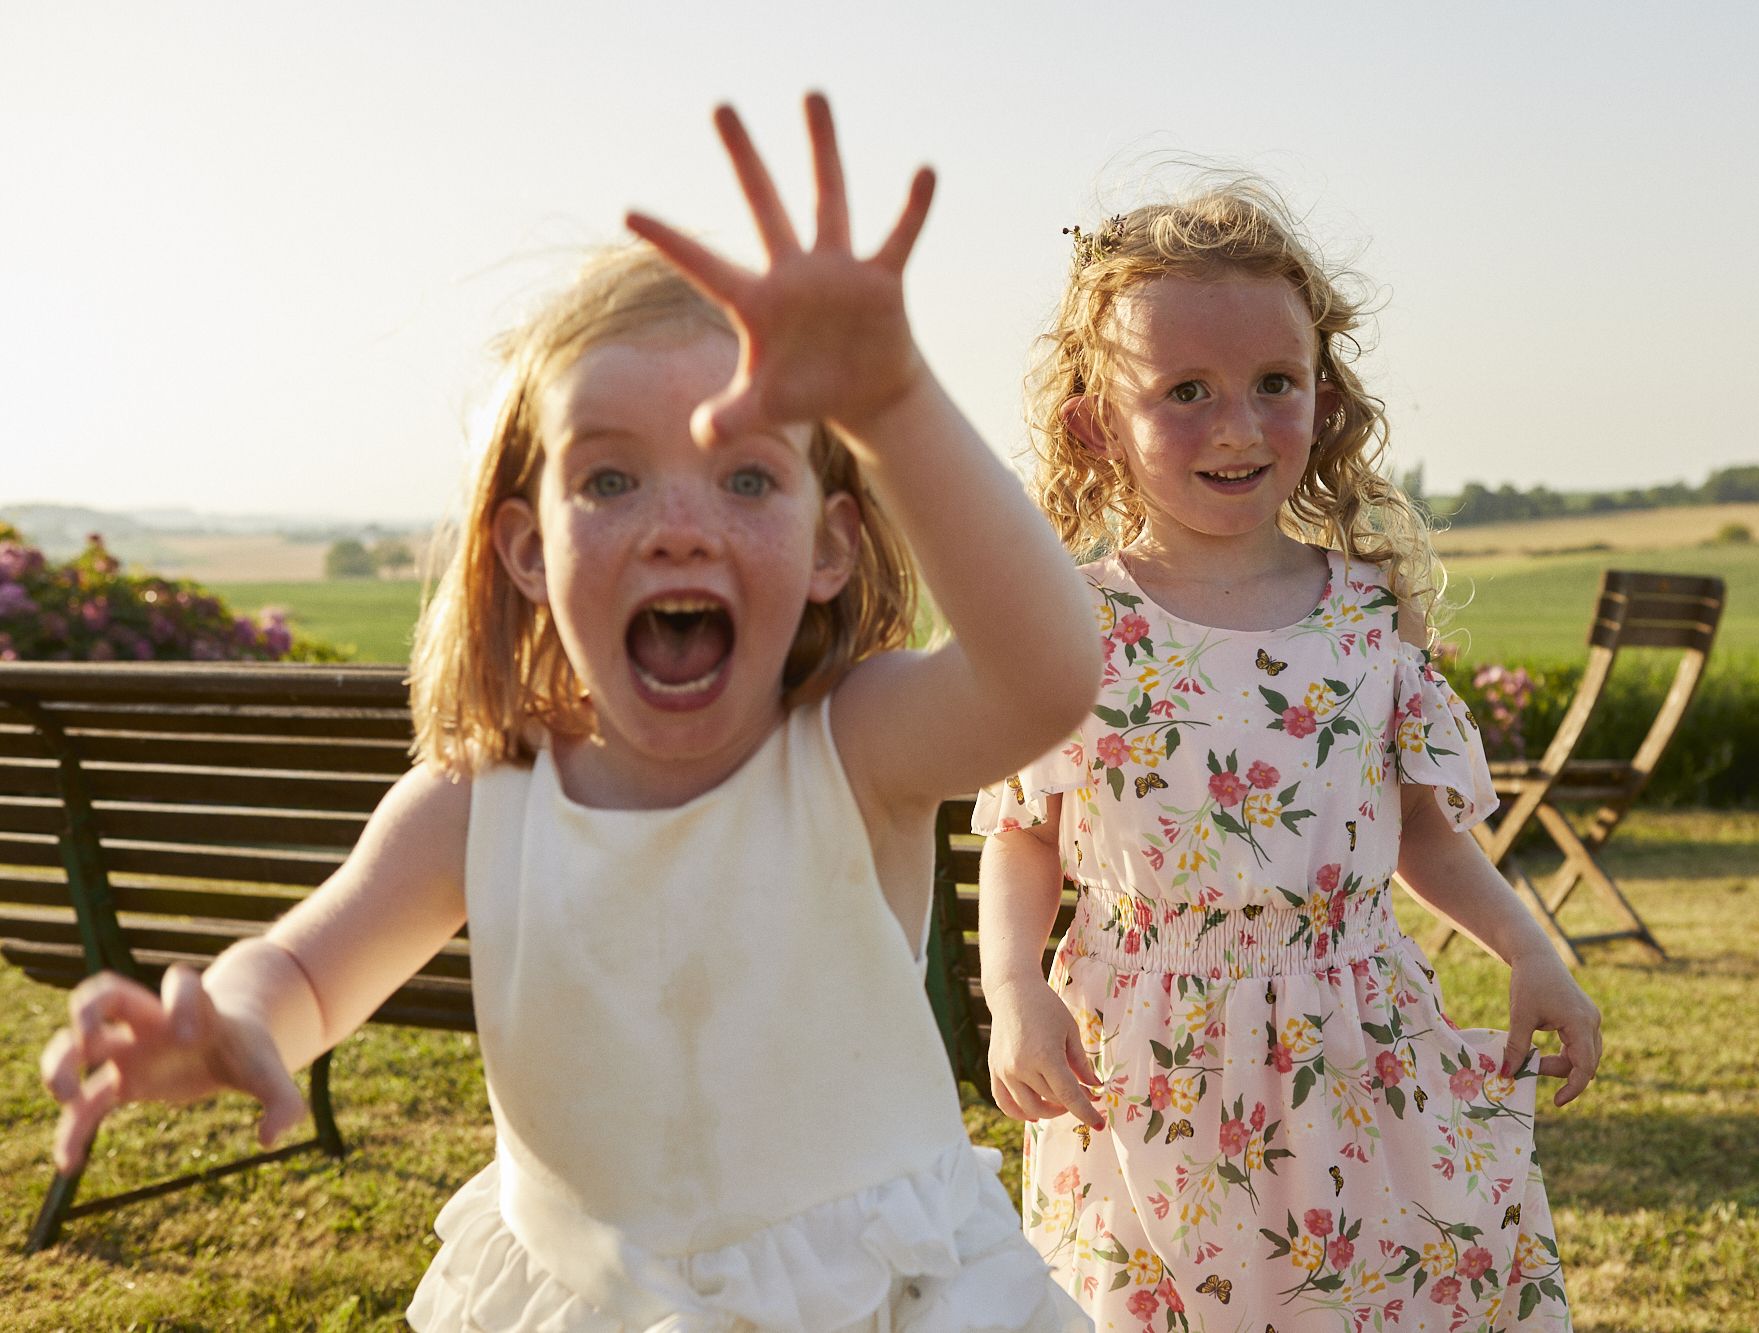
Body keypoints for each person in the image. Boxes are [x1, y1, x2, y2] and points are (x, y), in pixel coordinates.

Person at [40, 97, 1099, 1333]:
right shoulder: (479, 801)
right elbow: (305, 968)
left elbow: (1042, 673)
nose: (677, 520)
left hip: (883, 1301)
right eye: (606, 476)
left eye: (748, 473)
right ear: (526, 551)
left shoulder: (855, 748)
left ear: (831, 544)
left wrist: (894, 398)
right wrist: (233, 1020)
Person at [974, 184, 1603, 1331]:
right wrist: (1014, 988)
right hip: (1144, 1060)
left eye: (1275, 383)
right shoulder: (1072, 625)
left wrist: (1529, 948)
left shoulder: (1364, 615)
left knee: (1368, 1294)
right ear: (1093, 424)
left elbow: (1422, 832)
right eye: (1184, 392)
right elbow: (1023, 833)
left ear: (1324, 394)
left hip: (1354, 1054)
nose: (1237, 424)